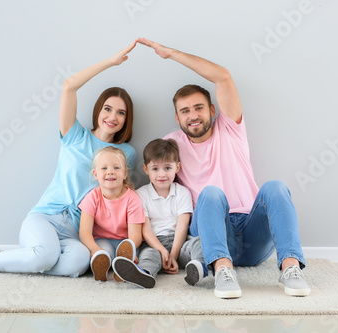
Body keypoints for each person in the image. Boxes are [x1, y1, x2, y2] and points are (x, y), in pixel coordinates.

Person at [0, 42, 138, 278]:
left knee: (79, 264)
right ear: (98, 110)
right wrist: (110, 63)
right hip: (46, 216)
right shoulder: (75, 135)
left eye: (121, 113)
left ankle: (21, 258)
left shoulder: (127, 153)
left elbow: (119, 198)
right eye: (108, 108)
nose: (112, 116)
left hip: (78, 230)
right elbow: (69, 87)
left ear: (126, 119)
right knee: (45, 256)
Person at [136, 38, 311, 298]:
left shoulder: (230, 128)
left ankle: (291, 269)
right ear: (177, 117)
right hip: (212, 231)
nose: (192, 115)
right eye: (185, 111)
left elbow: (223, 77)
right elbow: (155, 170)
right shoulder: (172, 143)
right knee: (211, 193)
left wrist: (171, 53)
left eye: (198, 108)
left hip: (252, 230)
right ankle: (222, 270)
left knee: (276, 187)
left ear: (212, 110)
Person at [112, 139, 206, 288]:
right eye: (155, 169)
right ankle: (144, 274)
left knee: (198, 242)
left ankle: (199, 267)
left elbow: (182, 226)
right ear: (145, 169)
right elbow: (146, 229)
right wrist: (161, 250)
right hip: (154, 243)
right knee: (148, 255)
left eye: (167, 168)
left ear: (177, 167)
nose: (161, 174)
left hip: (179, 244)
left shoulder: (182, 192)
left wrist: (173, 255)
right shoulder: (141, 194)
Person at [79, 146, 145, 281]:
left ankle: (124, 267)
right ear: (95, 174)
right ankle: (102, 267)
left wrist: (131, 247)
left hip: (125, 242)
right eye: (104, 168)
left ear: (125, 173)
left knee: (130, 254)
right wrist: (94, 249)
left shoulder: (133, 198)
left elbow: (136, 235)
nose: (110, 172)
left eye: (116, 168)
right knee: (104, 253)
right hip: (102, 240)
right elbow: (84, 232)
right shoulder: (92, 197)